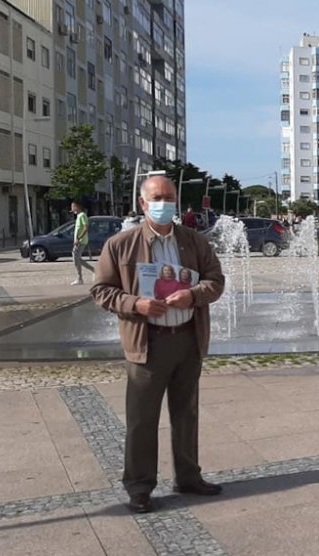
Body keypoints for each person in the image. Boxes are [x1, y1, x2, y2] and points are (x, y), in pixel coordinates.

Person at [91, 176, 225, 514]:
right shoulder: (120, 244)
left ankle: (188, 476)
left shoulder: (194, 242)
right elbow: (101, 291)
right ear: (142, 203)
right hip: (146, 343)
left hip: (187, 339)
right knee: (142, 419)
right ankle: (139, 487)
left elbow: (216, 282)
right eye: (157, 197)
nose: (163, 203)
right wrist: (135, 304)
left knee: (186, 413)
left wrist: (193, 295)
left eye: (169, 197)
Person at [70, 201, 94, 285]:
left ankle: (80, 278)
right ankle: (94, 271)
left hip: (81, 241)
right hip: (79, 241)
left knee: (76, 258)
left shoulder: (82, 215)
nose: (72, 209)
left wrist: (78, 238)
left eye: (73, 206)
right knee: (77, 258)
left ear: (78, 206)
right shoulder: (79, 216)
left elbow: (85, 228)